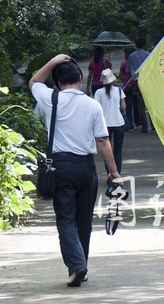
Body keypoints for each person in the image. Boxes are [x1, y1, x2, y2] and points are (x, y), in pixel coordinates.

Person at [29, 54, 120, 288]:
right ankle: (82, 266)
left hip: (60, 167)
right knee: (83, 220)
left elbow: (34, 82)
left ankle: (77, 266)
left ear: (57, 82)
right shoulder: (93, 104)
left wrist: (52, 61)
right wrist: (114, 172)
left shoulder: (51, 98)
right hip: (86, 167)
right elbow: (102, 141)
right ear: (81, 78)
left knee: (66, 220)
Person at [94, 69, 126, 175]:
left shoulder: (98, 93)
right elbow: (124, 106)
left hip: (105, 125)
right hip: (119, 123)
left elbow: (96, 109)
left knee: (107, 151)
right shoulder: (119, 90)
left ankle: (109, 173)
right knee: (118, 151)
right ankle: (118, 173)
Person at [127, 37, 150, 132]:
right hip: (147, 81)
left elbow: (128, 70)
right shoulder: (148, 54)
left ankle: (144, 126)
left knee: (140, 104)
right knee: (150, 103)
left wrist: (131, 81)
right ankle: (153, 125)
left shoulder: (131, 56)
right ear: (144, 45)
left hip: (137, 81)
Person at [119, 45, 136, 129]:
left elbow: (120, 76)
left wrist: (124, 79)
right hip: (135, 85)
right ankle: (138, 121)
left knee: (128, 107)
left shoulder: (123, 64)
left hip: (126, 86)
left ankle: (130, 124)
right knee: (137, 105)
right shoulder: (134, 62)